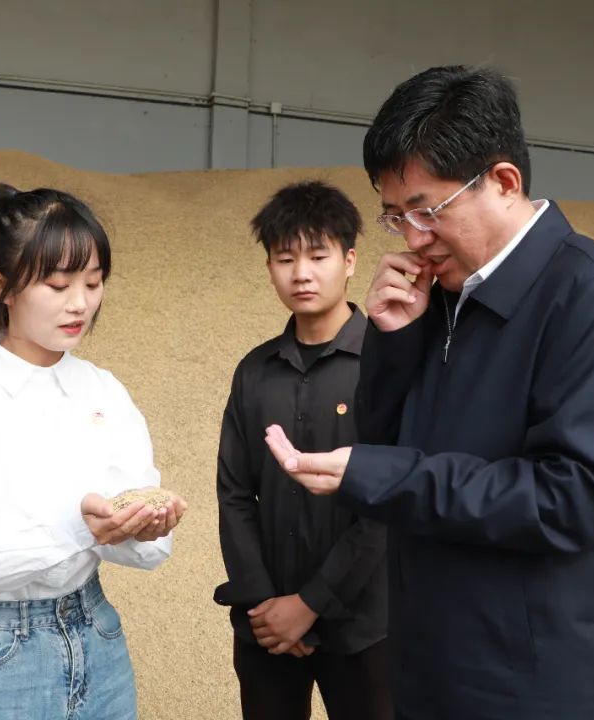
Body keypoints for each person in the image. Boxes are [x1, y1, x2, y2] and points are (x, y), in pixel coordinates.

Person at [263, 66, 594, 720]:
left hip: (535, 689)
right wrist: (394, 340)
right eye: (395, 216)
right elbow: (387, 440)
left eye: (427, 210)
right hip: (428, 671)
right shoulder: (440, 296)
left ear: (504, 182)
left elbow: (570, 499)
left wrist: (379, 475)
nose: (413, 238)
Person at [0, 184, 187, 720]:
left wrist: (146, 526)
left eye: (93, 282)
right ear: (1, 285)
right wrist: (87, 527)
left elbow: (148, 551)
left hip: (99, 634)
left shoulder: (103, 390)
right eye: (58, 284)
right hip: (1, 651)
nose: (80, 303)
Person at [214, 181, 392, 720]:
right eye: (285, 258)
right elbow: (234, 494)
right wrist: (264, 603)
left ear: (350, 261)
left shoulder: (388, 365)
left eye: (318, 256)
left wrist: (310, 603)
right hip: (267, 625)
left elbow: (389, 500)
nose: (301, 273)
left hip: (364, 625)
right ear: (269, 267)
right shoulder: (254, 371)